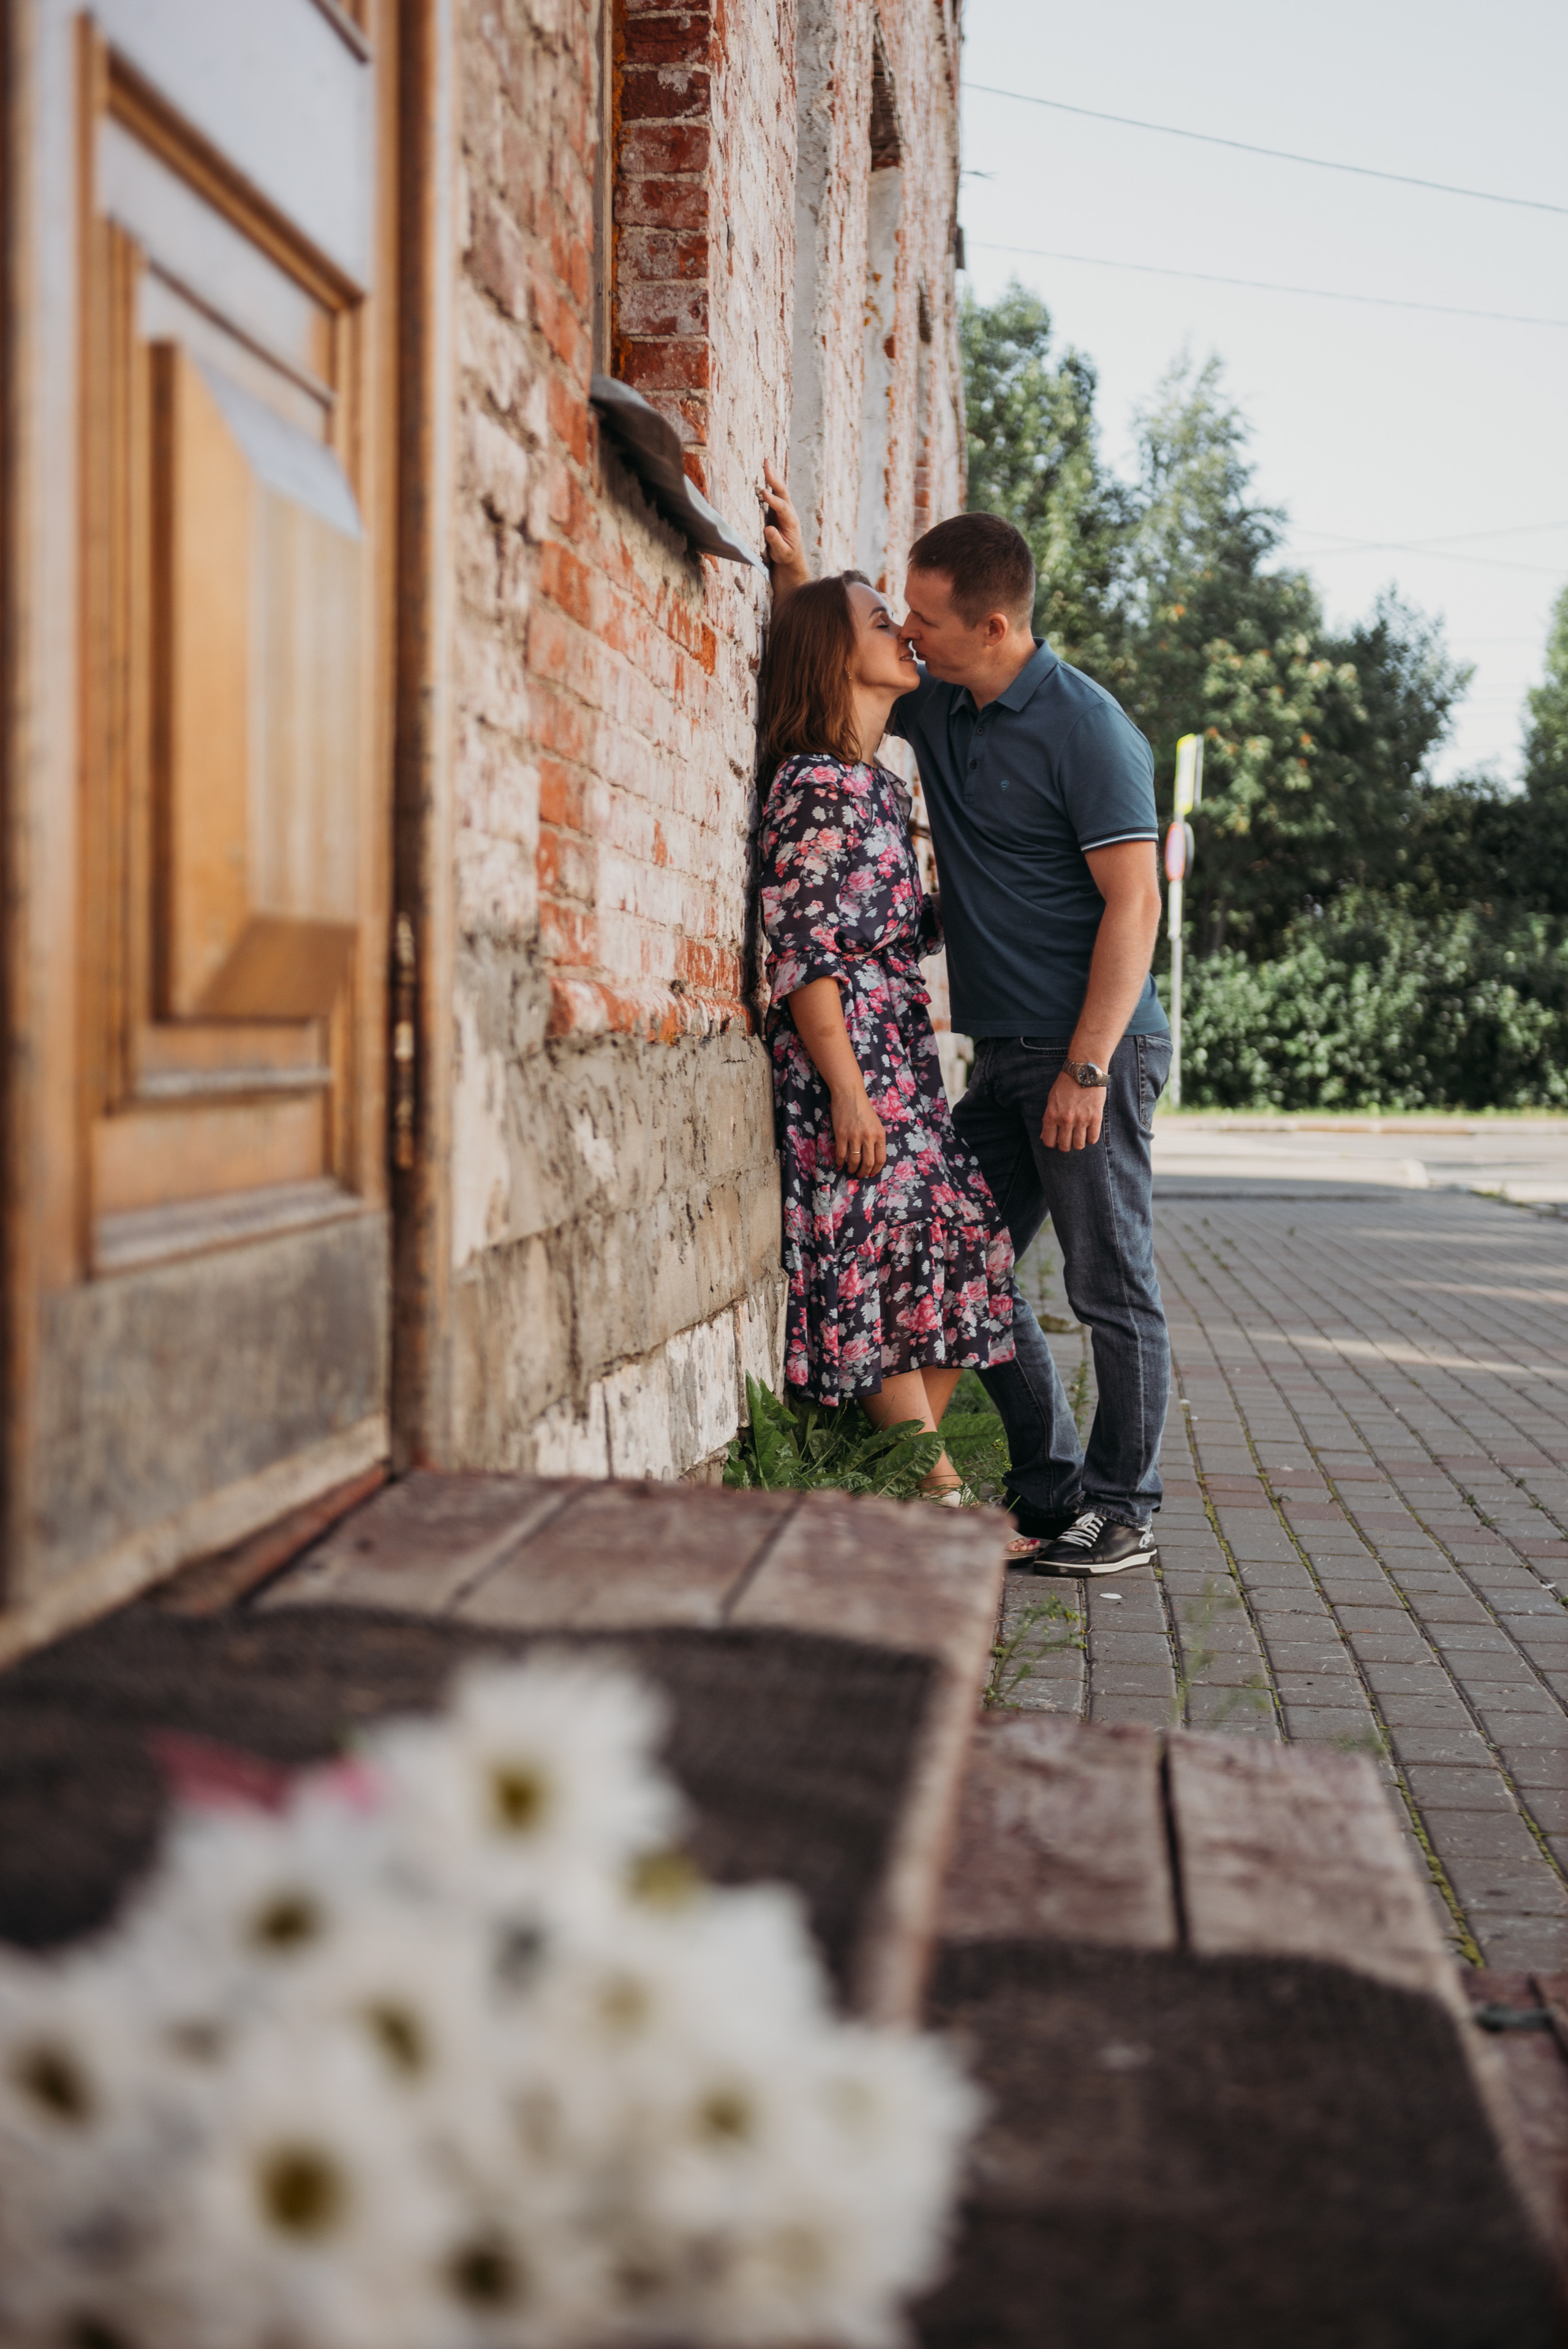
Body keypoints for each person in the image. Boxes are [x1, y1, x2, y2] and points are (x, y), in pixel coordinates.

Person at [763, 467, 1171, 1576]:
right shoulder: (939, 702)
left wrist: (1088, 1069)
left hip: (1092, 1050)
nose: (910, 631)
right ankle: (1048, 1492)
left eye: (926, 619)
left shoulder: (1088, 729)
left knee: (1108, 1280)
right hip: (1002, 1055)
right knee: (971, 1263)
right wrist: (796, 572)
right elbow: (831, 662)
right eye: (901, 613)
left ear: (992, 625)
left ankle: (1124, 1508)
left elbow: (1137, 902)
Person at [757, 569, 1018, 1499]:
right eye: (883, 622)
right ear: (838, 656)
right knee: (871, 1244)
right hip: (848, 1057)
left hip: (900, 1054)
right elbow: (806, 950)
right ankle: (935, 1487)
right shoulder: (816, 785)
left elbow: (893, 925)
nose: (905, 633)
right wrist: (846, 1090)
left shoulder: (873, 782)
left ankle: (906, 1463)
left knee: (967, 1233)